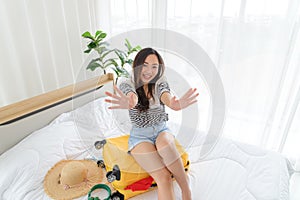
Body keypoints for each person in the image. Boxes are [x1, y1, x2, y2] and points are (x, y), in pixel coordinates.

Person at [105, 47, 198, 200]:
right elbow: (132, 97)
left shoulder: (160, 82)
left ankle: (185, 187)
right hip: (140, 137)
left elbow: (165, 95)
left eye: (154, 67)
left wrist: (173, 104)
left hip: (162, 130)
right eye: (145, 65)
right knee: (164, 177)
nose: (149, 70)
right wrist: (130, 101)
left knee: (165, 144)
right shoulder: (127, 82)